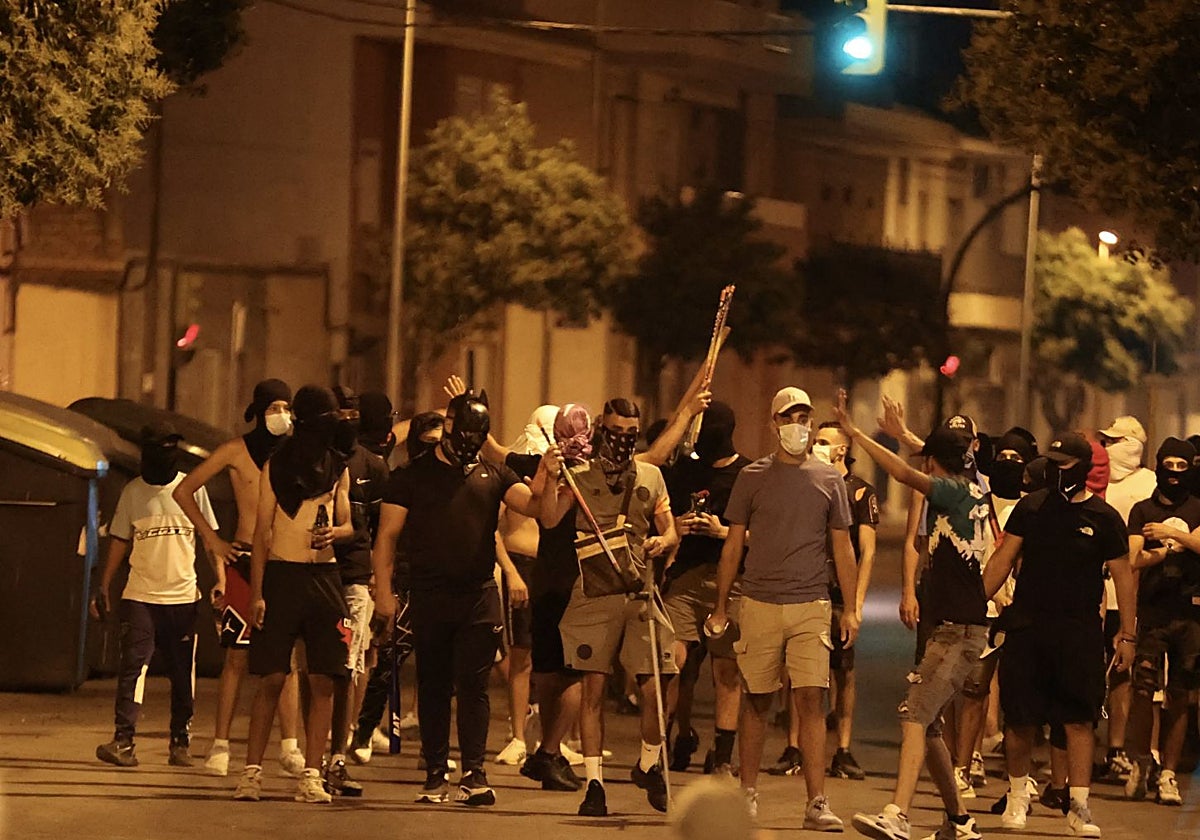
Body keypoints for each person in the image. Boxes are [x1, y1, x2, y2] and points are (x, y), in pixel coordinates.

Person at [372, 391, 538, 807]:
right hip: (430, 594)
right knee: (433, 684)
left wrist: (550, 472)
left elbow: (537, 508)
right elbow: (386, 539)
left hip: (479, 594)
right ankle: (434, 772)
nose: (469, 443)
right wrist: (385, 594)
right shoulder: (411, 476)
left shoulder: (493, 474)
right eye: (464, 433)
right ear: (447, 428)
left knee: (475, 684)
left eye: (478, 436)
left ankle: (474, 773)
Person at [837, 393, 988, 840]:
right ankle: (959, 821)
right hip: (950, 627)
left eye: (929, 460)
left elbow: (903, 472)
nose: (924, 466)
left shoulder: (950, 491)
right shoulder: (974, 484)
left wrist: (857, 433)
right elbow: (929, 456)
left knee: (913, 713)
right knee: (930, 722)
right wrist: (905, 435)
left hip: (960, 631)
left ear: (935, 464)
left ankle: (898, 813)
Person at [708, 387, 859, 829]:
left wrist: (849, 608)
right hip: (758, 601)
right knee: (757, 701)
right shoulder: (752, 477)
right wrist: (721, 606)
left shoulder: (829, 479)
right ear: (775, 423)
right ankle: (747, 794)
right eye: (790, 417)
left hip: (810, 602)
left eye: (805, 417)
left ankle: (816, 802)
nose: (799, 425)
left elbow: (842, 547)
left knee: (811, 699)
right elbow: (733, 544)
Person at [982, 432, 1137, 838]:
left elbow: (1123, 577)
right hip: (1029, 626)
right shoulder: (1030, 509)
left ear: (1084, 467)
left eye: (1065, 464)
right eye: (1053, 463)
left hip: (1079, 629)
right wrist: (971, 604)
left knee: (1078, 719)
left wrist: (1128, 635)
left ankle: (1079, 805)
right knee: (1019, 719)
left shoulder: (1104, 518)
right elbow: (1004, 558)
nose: (1057, 471)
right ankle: (1018, 795)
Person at [540, 396, 681, 817]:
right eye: (615, 432)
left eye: (630, 435)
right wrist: (549, 478)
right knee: (594, 691)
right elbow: (549, 519)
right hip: (594, 595)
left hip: (640, 592)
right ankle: (595, 783)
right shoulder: (578, 476)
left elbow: (670, 529)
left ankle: (648, 761)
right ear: (602, 428)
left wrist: (665, 540)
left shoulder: (652, 476)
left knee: (657, 686)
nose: (621, 441)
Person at [173, 379, 308, 777]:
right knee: (236, 655)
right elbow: (185, 489)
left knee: (288, 659)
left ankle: (290, 746)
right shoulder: (235, 450)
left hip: (285, 559)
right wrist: (213, 540)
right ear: (259, 410)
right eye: (273, 407)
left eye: (287, 407)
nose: (281, 415)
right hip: (245, 558)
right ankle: (219, 745)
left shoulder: (295, 453)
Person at [233, 385, 355, 804]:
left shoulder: (339, 466)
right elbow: (262, 534)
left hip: (324, 577)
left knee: (324, 679)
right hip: (283, 577)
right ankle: (251, 773)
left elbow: (349, 524)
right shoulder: (277, 466)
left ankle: (312, 774)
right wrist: (257, 593)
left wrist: (336, 532)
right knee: (271, 677)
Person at [92, 421, 222, 768]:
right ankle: (124, 740)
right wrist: (104, 584)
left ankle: (180, 741)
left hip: (183, 598)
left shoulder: (192, 490)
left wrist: (220, 579)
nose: (168, 453)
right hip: (141, 596)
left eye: (172, 445)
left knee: (182, 674)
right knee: (133, 668)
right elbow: (120, 539)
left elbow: (210, 541)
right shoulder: (134, 493)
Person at [662, 401, 751, 777]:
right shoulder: (686, 470)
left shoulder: (748, 474)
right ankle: (658, 747)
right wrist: (677, 526)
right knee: (673, 661)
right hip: (685, 577)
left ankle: (723, 754)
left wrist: (723, 531)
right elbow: (661, 511)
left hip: (728, 581)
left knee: (725, 670)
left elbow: (759, 533)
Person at [351, 409, 439, 763]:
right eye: (427, 441)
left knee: (438, 671)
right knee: (387, 658)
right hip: (403, 579)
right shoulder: (400, 478)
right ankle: (364, 732)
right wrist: (382, 582)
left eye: (440, 442)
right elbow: (384, 536)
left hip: (438, 581)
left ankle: (434, 750)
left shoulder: (451, 480)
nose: (433, 449)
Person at [1124, 437, 1200, 806]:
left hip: (1190, 614)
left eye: (1181, 467)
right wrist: (1171, 549)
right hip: (1152, 612)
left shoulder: (1199, 508)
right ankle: (1142, 759)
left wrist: (1170, 534)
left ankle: (1168, 772)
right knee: (1143, 691)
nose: (1174, 474)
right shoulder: (1141, 510)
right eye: (1167, 465)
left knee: (1180, 695)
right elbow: (1133, 559)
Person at [322, 386, 389, 796]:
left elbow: (384, 530)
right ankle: (311, 753)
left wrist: (381, 580)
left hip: (355, 578)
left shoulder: (373, 467)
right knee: (316, 669)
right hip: (313, 574)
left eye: (352, 413)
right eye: (338, 414)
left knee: (351, 665)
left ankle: (339, 753)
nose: (346, 420)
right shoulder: (311, 459)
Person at [494, 404, 560, 767]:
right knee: (520, 656)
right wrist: (510, 572)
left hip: (552, 570)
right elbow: (496, 527)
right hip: (522, 566)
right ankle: (518, 734)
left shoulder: (568, 473)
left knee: (555, 659)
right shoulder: (514, 471)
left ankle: (552, 737)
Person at [1096, 416, 1155, 781]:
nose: (1108, 446)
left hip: (1129, 594)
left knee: (1125, 674)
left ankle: (1119, 749)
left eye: (1115, 440)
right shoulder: (1096, 480)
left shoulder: (1147, 484)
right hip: (1093, 592)